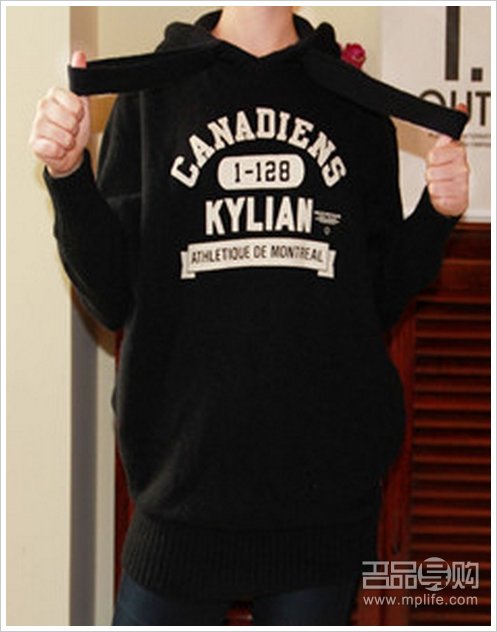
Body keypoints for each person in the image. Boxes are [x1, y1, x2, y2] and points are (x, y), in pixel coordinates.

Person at [29, 6, 469, 626]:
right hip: (180, 499)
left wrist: (435, 215)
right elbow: (110, 296)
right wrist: (70, 175)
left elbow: (376, 299)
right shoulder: (151, 93)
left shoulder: (354, 103)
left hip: (322, 511)